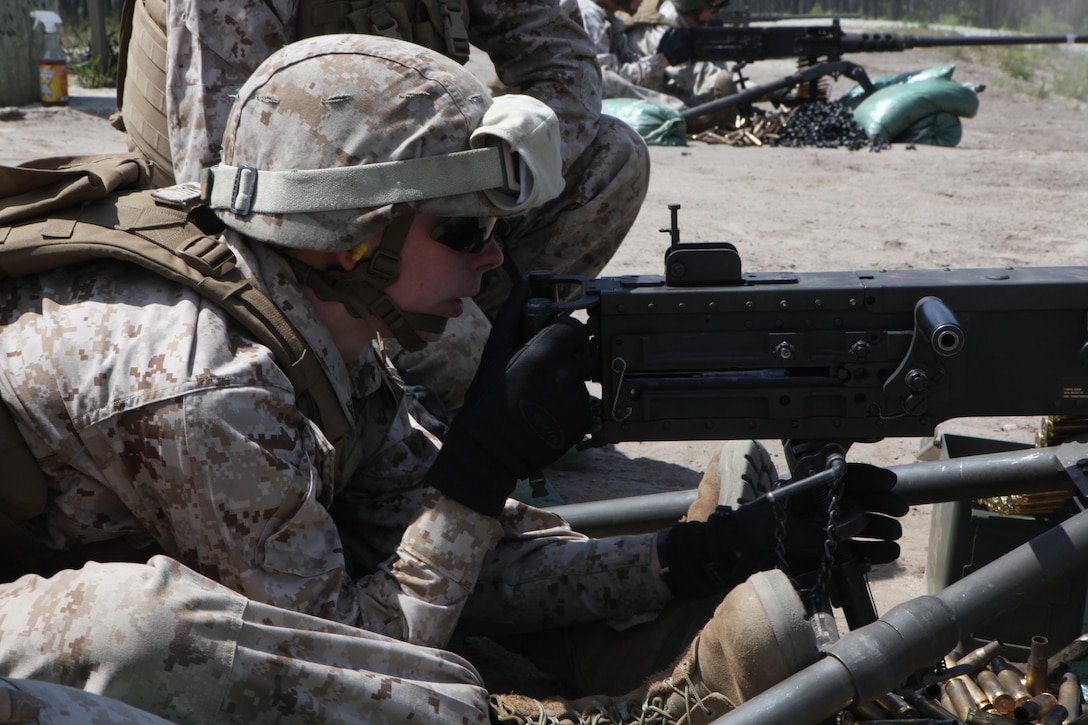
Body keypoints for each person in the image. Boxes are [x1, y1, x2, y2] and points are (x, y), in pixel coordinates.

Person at [0, 35, 905, 723]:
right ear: (356, 234)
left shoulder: (319, 325)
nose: (495, 259)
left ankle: (652, 648)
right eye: (465, 232)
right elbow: (355, 658)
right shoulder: (211, 386)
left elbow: (457, 564)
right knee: (151, 631)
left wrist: (702, 554)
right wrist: (476, 469)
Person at [623, 0, 743, 132]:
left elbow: (716, 67)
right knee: (696, 113)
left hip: (660, 83)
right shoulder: (664, 30)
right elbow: (695, 78)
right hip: (637, 90)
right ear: (694, 7)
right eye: (713, 9)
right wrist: (737, 90)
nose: (717, 13)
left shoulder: (691, 22)